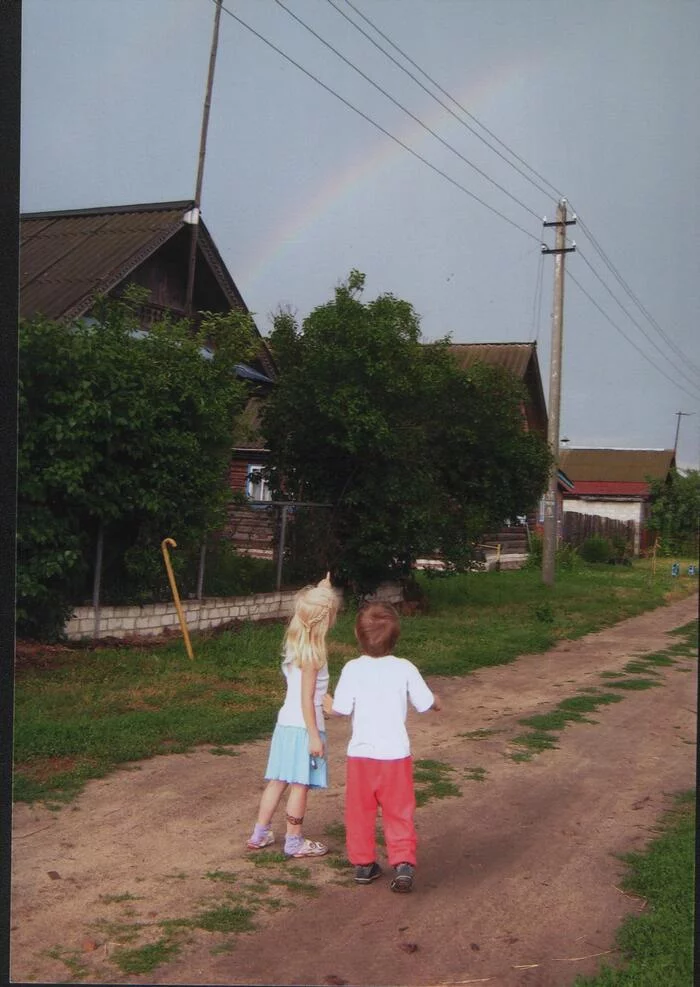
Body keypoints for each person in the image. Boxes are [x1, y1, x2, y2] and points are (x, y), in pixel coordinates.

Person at [324, 602, 441, 892]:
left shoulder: (352, 668)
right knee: (398, 810)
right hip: (395, 756)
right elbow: (426, 703)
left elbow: (339, 709)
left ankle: (363, 865)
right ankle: (402, 863)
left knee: (359, 810)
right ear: (396, 637)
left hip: (361, 756)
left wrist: (326, 703)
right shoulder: (405, 668)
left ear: (356, 634)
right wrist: (437, 701)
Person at [247, 573, 339, 858]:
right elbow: (306, 699)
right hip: (304, 728)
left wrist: (323, 589)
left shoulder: (295, 642)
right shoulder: (314, 655)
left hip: (285, 725)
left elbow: (308, 612)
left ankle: (259, 835)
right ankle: (294, 841)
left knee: (278, 781)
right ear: (325, 621)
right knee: (300, 785)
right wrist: (314, 735)